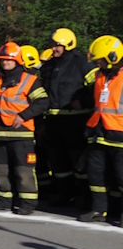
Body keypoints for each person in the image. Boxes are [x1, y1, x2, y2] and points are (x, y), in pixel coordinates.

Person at [0, 42, 49, 215]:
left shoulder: (30, 80)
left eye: (9, 60)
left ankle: (28, 203)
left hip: (21, 133)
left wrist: (23, 116)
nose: (5, 63)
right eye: (3, 60)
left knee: (24, 170)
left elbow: (43, 102)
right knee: (0, 169)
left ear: (17, 61)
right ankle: (3, 200)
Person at [40, 28, 96, 206]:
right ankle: (64, 193)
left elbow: (97, 89)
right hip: (53, 120)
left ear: (68, 45)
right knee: (57, 159)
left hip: (76, 121)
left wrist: (84, 101)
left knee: (79, 161)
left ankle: (84, 196)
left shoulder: (82, 64)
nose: (54, 49)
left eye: (58, 45)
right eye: (53, 45)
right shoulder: (48, 66)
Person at [81, 35, 123, 222]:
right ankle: (99, 210)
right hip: (98, 130)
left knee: (121, 176)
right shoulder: (99, 75)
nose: (98, 63)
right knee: (96, 173)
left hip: (119, 132)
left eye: (100, 60)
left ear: (113, 57)